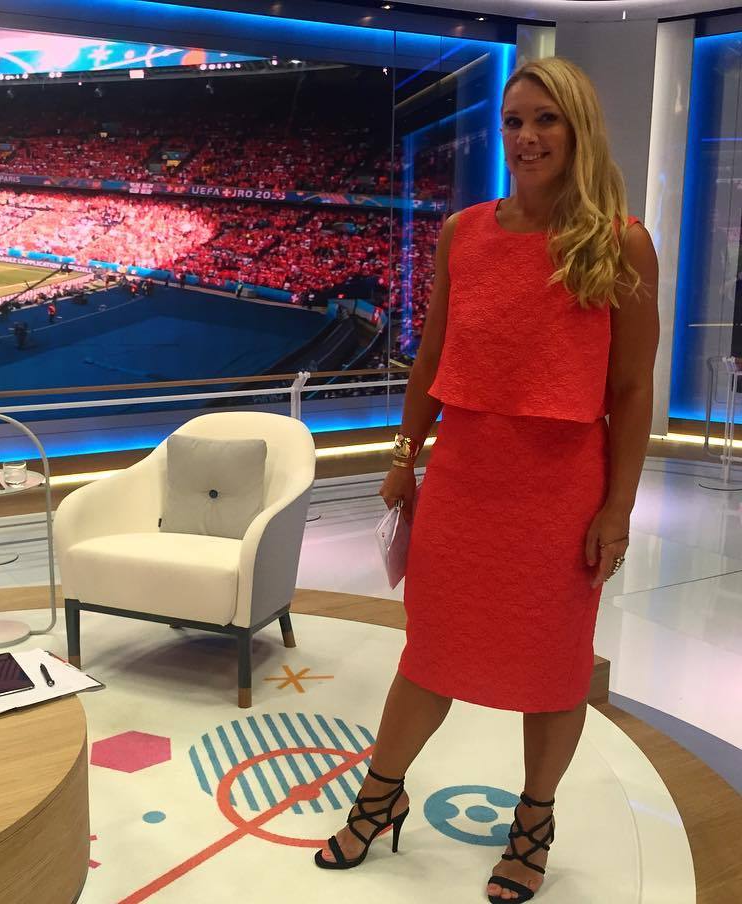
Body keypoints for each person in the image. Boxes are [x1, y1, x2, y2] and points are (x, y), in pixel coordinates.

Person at [314, 58, 659, 904]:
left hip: (560, 493)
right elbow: (433, 354)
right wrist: (403, 456)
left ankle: (533, 825)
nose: (526, 137)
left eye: (545, 119)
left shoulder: (620, 242)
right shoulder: (464, 233)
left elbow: (630, 389)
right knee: (430, 654)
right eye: (513, 121)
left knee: (552, 669)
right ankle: (381, 797)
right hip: (463, 479)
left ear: (578, 129)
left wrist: (617, 507)